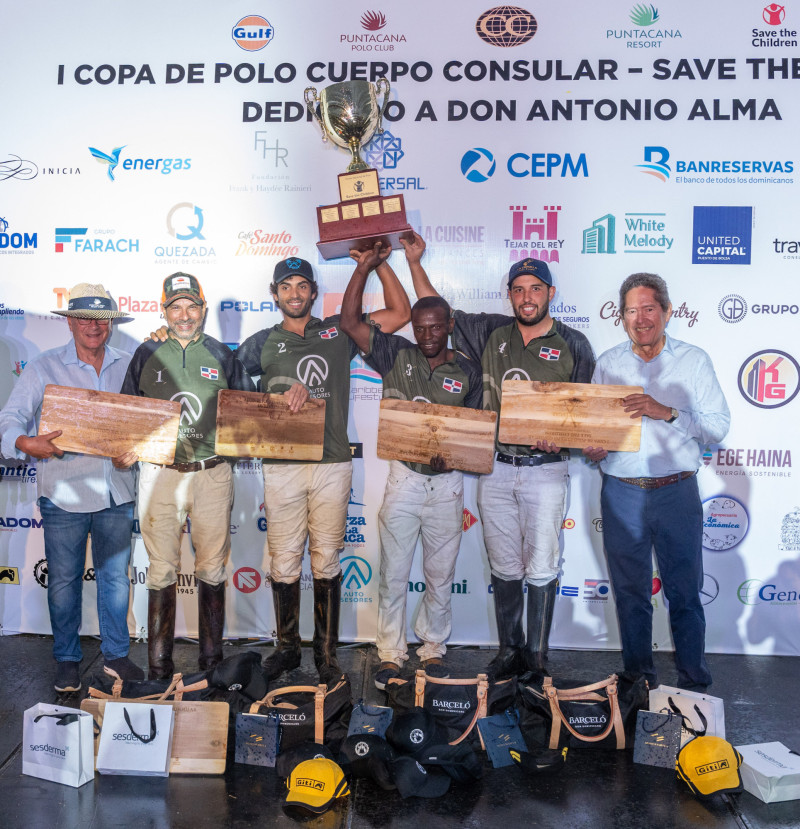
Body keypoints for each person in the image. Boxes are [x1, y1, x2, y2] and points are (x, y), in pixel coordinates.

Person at [404, 234, 595, 679]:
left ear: (550, 293)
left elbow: (583, 416)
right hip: (496, 470)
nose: (527, 298)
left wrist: (564, 440)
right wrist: (414, 261)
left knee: (543, 563)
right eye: (518, 289)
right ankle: (510, 652)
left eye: (535, 289)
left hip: (546, 472)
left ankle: (537, 658)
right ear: (509, 294)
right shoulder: (492, 331)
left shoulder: (576, 343)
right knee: (505, 564)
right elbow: (435, 307)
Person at [237, 252, 411, 685]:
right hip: (281, 466)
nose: (294, 294)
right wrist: (275, 395)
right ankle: (287, 650)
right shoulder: (262, 343)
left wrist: (375, 263)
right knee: (283, 561)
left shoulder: (338, 331)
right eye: (285, 287)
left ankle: (327, 656)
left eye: (302, 286)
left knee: (327, 558)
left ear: (314, 292)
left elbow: (400, 313)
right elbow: (232, 390)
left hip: (332, 463)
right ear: (274, 294)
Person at [339, 244, 483, 689]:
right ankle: (390, 653)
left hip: (447, 486)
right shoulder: (395, 353)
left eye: (436, 327)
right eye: (420, 328)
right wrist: (365, 266)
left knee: (440, 575)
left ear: (450, 326)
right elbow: (349, 324)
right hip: (403, 481)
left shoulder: (469, 370)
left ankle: (433, 648)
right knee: (394, 574)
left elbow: (477, 433)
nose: (426, 335)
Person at [583, 273, 729, 691]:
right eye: (632, 310)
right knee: (630, 595)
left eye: (649, 308)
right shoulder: (608, 364)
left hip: (677, 492)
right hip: (622, 494)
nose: (641, 318)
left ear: (666, 311)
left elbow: (718, 427)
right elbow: (597, 431)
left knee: (684, 592)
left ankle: (693, 682)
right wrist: (594, 447)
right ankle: (637, 682)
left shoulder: (694, 360)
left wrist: (666, 411)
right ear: (622, 317)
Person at [0, 283, 142, 692]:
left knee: (116, 580)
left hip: (116, 491)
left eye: (100, 319)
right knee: (62, 581)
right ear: (70, 323)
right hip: (64, 493)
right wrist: (27, 443)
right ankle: (66, 659)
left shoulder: (129, 365)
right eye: (83, 318)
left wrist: (135, 449)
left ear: (110, 324)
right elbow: (10, 420)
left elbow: (146, 425)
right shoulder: (44, 367)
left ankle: (116, 657)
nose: (92, 326)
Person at [121, 273, 253, 679]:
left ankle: (211, 665)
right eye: (175, 307)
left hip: (210, 472)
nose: (184, 315)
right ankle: (159, 669)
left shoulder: (223, 356)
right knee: (160, 568)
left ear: (203, 310)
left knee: (211, 568)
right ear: (163, 311)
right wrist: (125, 446)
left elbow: (248, 412)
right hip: (159, 474)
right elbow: (128, 413)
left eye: (191, 306)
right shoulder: (146, 352)